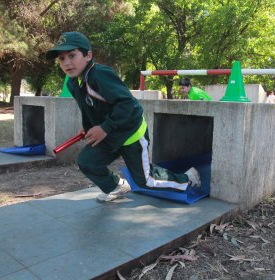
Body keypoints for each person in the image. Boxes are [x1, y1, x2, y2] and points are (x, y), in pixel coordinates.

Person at [46, 32, 201, 202]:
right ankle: (116, 186)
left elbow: (129, 105)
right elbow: (90, 106)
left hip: (130, 133)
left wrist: (105, 127)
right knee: (86, 161)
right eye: (61, 58)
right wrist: (89, 125)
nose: (67, 62)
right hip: (110, 133)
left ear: (88, 55)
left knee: (145, 181)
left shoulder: (99, 74)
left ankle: (188, 179)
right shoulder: (73, 82)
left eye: (72, 55)